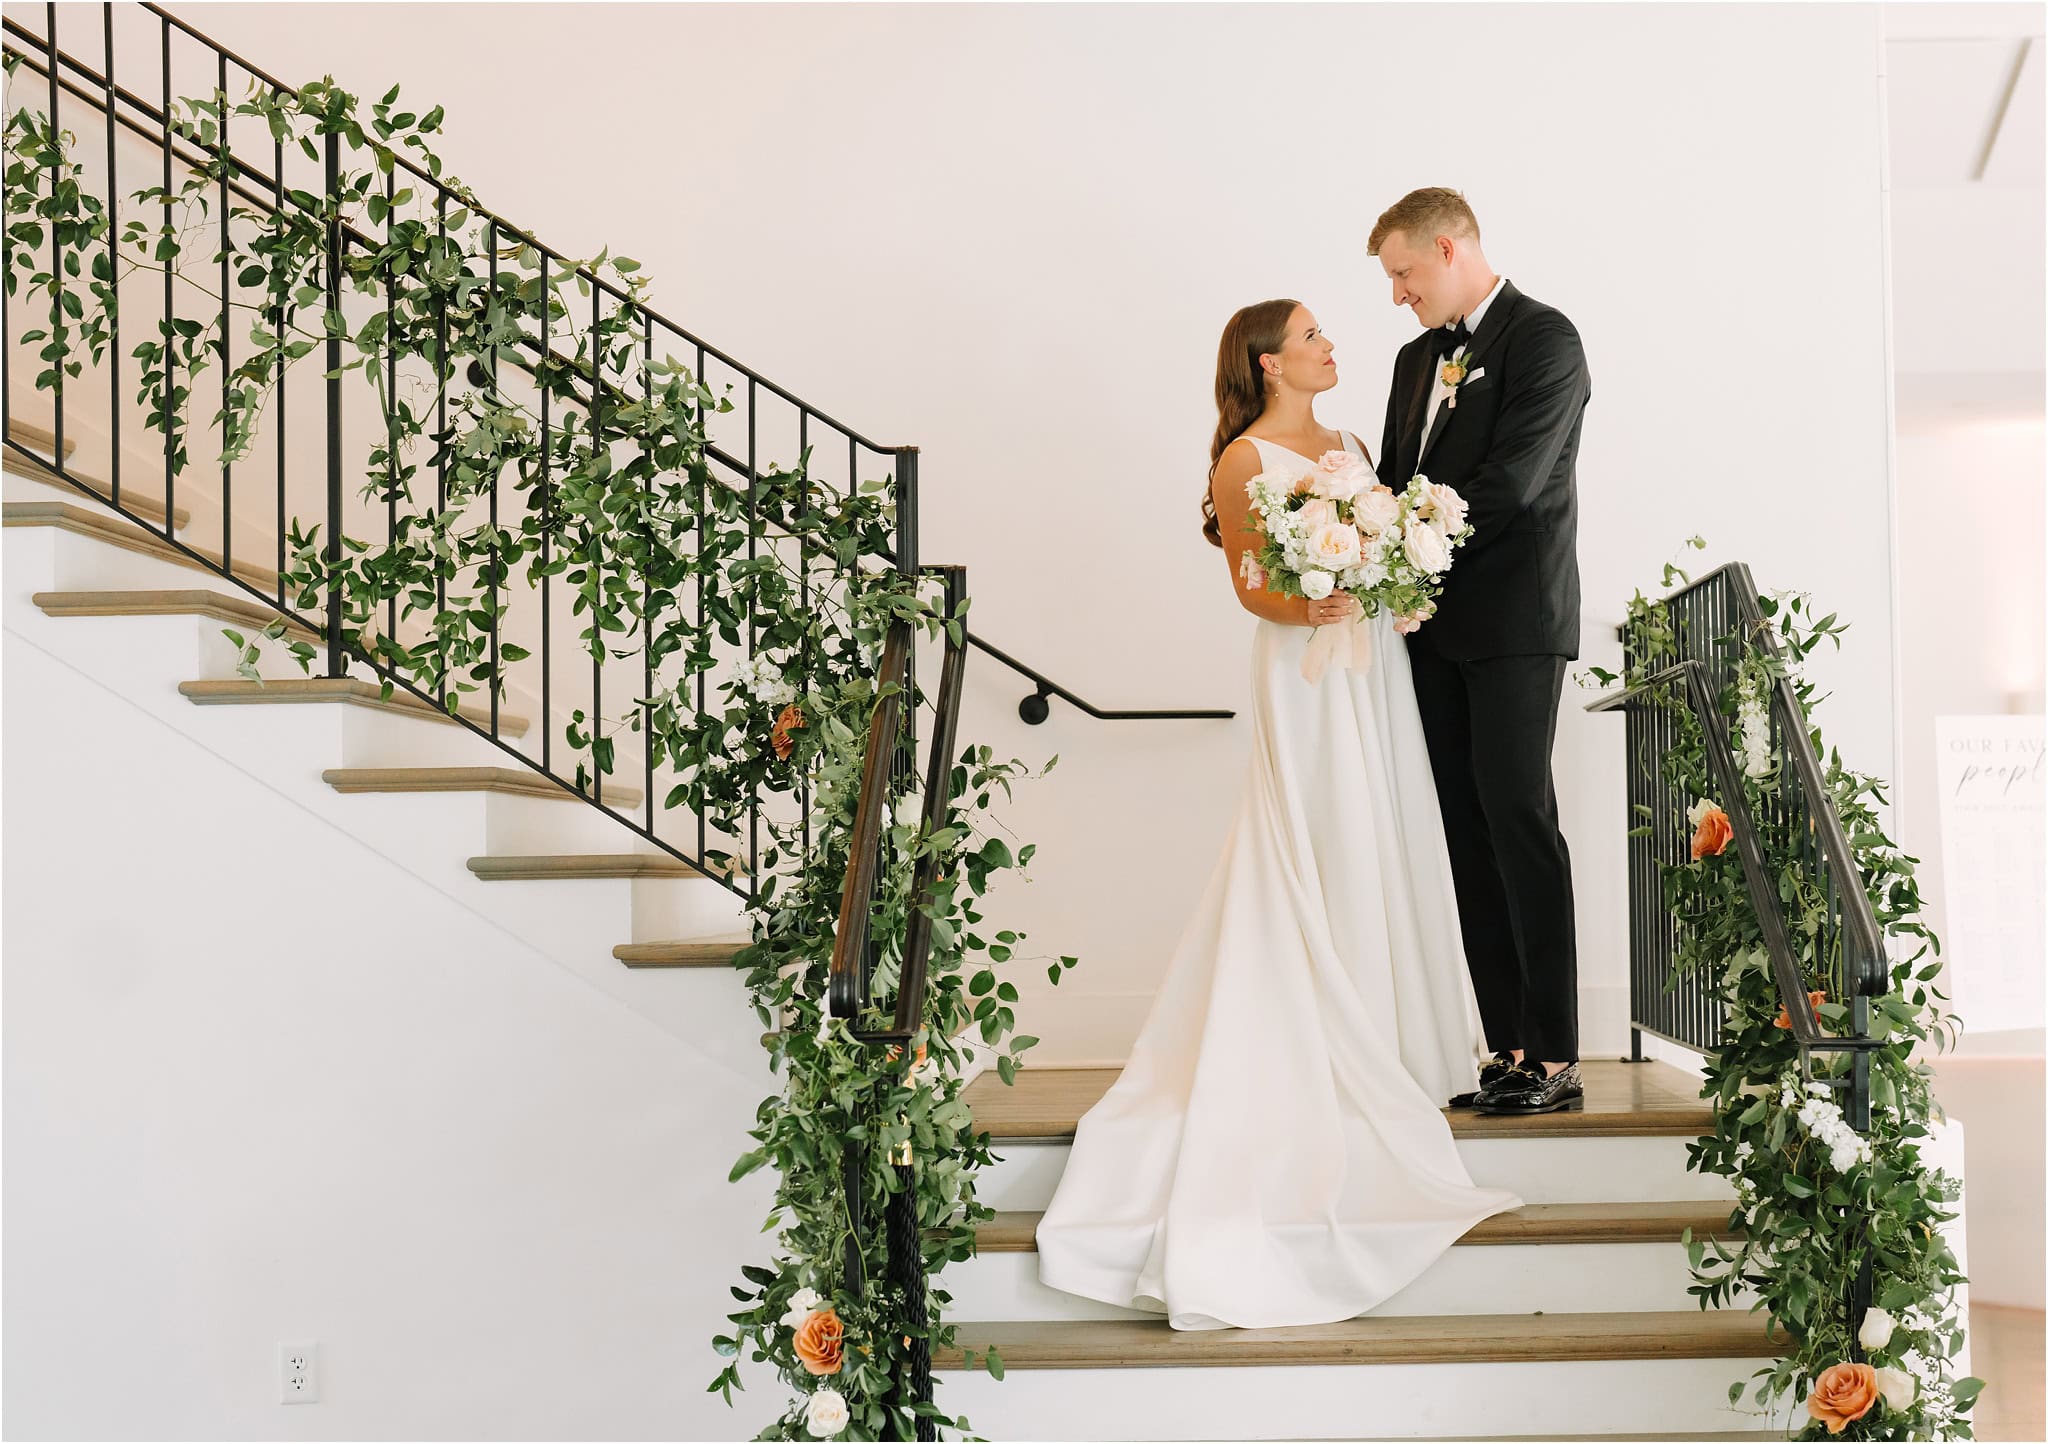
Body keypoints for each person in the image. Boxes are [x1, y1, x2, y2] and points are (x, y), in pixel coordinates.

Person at [1032, 299, 1519, 1332]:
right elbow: (1252, 584)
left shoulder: (1346, 444)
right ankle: (1306, 1018)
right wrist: (1319, 604)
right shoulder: (1241, 460)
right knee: (1313, 827)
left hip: (1369, 660)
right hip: (1303, 665)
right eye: (1311, 337)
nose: (1330, 345)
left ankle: (1389, 1025)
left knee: (1380, 822)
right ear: (1268, 362)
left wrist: (1384, 571)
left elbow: (1378, 533)